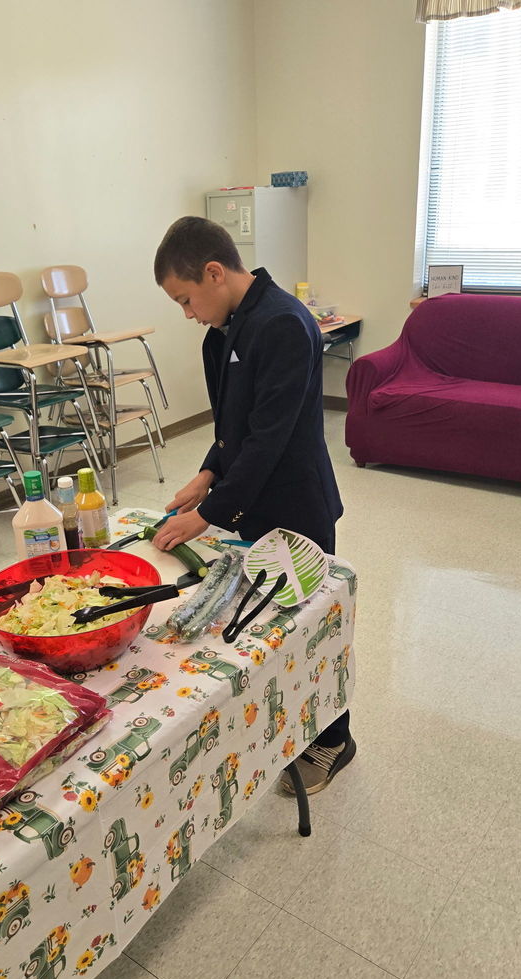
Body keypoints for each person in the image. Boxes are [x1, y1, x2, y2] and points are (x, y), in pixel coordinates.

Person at [150, 215, 355, 794]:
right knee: (264, 632)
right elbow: (234, 427)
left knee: (310, 629)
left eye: (186, 298)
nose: (188, 313)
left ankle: (334, 740)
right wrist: (206, 474)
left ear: (215, 272)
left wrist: (206, 514)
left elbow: (270, 438)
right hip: (252, 501)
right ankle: (285, 730)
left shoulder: (285, 323)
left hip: (296, 502)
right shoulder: (222, 332)